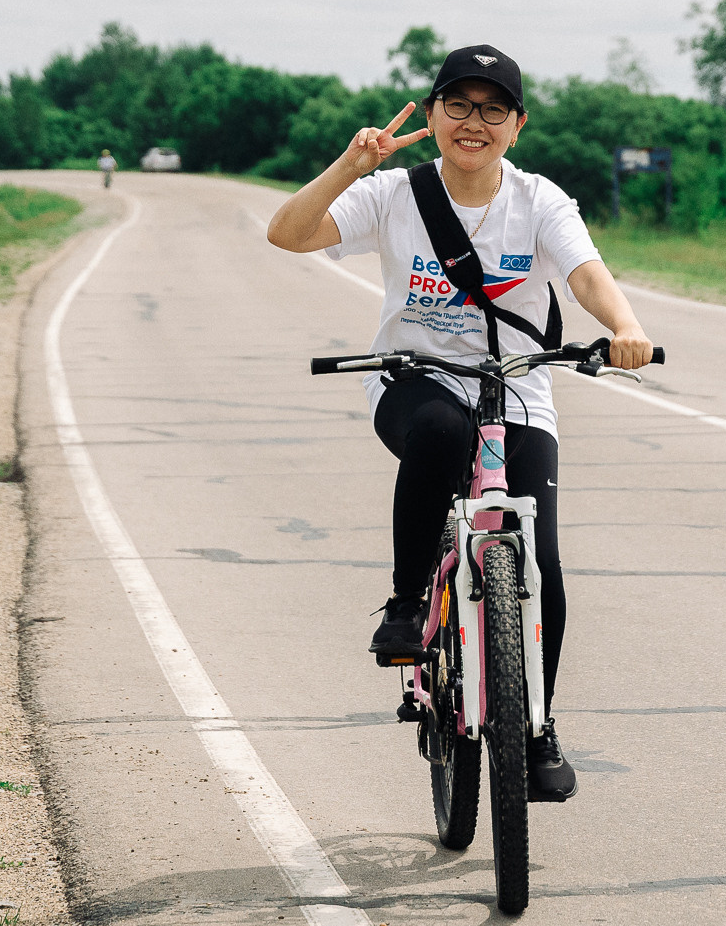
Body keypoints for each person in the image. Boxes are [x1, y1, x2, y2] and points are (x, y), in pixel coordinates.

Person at [265, 44, 653, 804]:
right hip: (414, 382)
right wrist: (350, 164)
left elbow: (585, 275)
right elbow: (288, 231)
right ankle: (409, 603)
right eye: (459, 105)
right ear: (435, 112)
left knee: (537, 554)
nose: (474, 122)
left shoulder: (540, 200)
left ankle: (536, 727)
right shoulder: (393, 194)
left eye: (493, 109)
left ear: (517, 124)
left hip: (516, 388)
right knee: (441, 434)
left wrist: (626, 324)